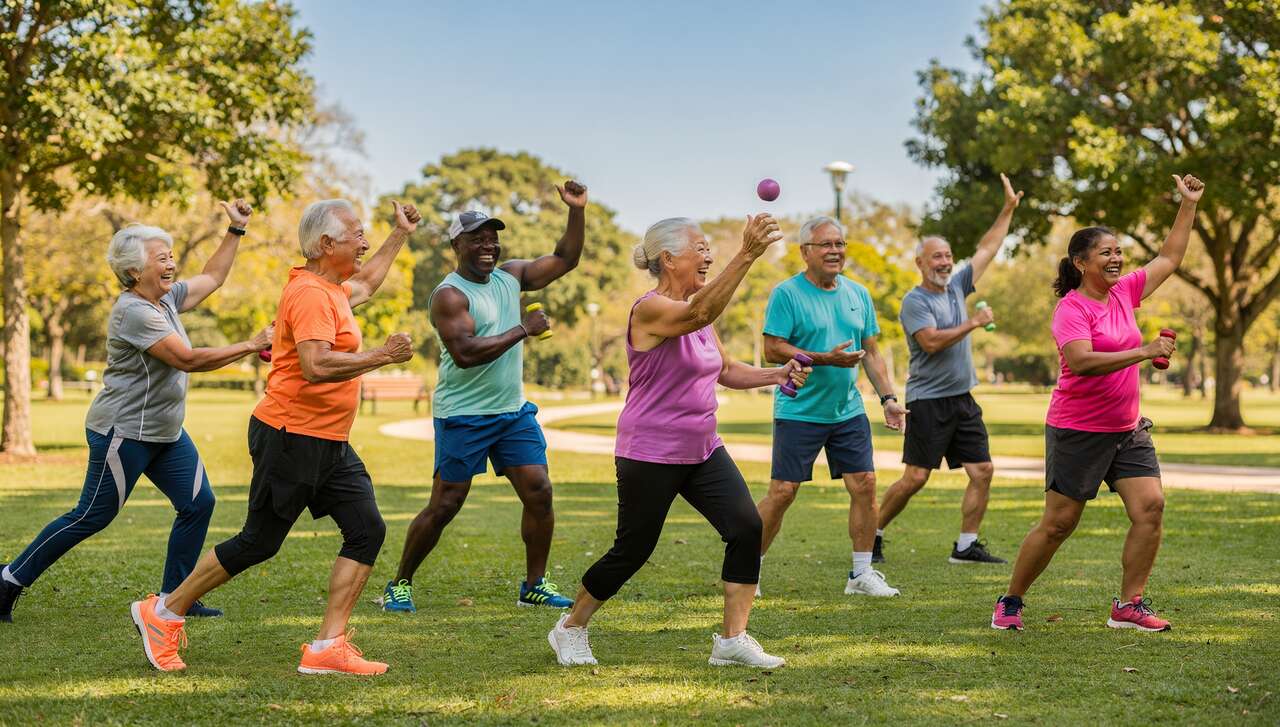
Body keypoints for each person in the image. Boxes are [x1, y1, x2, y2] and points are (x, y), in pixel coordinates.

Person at [128, 198, 420, 673]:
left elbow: (366, 282)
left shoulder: (334, 289)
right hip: (291, 435)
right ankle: (162, 612)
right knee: (259, 541)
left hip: (327, 441)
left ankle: (328, 648)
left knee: (367, 529)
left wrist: (399, 233)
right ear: (326, 244)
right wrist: (382, 357)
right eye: (357, 235)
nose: (365, 243)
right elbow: (317, 365)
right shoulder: (309, 295)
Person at [547, 214, 807, 669]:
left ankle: (732, 640)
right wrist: (747, 253)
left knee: (747, 528)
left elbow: (724, 370)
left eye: (711, 249)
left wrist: (776, 374)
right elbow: (698, 313)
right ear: (668, 258)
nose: (709, 256)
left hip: (703, 448)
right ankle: (570, 627)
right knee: (633, 549)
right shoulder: (651, 309)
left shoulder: (699, 311)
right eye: (700, 248)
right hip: (650, 451)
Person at [0, 201, 269, 624]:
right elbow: (188, 359)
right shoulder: (134, 311)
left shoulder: (167, 300)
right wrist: (250, 345)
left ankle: (175, 597)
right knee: (91, 515)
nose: (171, 263)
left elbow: (213, 276)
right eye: (161, 258)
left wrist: (235, 230)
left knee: (199, 503)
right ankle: (9, 579)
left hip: (165, 433)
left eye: (171, 256)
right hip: (122, 433)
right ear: (133, 272)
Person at [991, 174, 1203, 633]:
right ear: (1080, 262)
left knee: (1151, 507)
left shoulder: (1125, 292)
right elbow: (1082, 362)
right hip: (1079, 430)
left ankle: (1129, 606)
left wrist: (1187, 205)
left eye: (1118, 251)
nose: (1117, 257)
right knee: (1059, 524)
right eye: (1106, 251)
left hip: (1127, 428)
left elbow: (1169, 256)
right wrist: (1144, 352)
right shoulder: (1072, 308)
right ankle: (1010, 600)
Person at [383, 181, 588, 614]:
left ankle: (535, 584)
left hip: (512, 413)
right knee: (445, 504)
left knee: (540, 492)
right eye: (477, 238)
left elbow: (566, 259)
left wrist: (576, 210)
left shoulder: (510, 277)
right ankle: (399, 582)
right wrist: (522, 331)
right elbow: (465, 353)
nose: (488, 245)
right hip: (464, 415)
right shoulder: (449, 295)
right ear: (457, 244)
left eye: (493, 237)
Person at [753, 215, 907, 598]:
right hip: (799, 409)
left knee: (865, 484)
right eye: (826, 244)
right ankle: (746, 569)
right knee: (783, 492)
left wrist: (888, 398)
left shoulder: (858, 294)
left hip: (847, 409)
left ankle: (860, 574)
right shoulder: (787, 294)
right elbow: (772, 348)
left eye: (839, 244)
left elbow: (871, 352)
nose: (835, 251)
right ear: (805, 252)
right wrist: (823, 358)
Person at [875, 174, 1023, 566]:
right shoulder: (914, 301)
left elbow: (988, 247)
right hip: (928, 401)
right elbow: (931, 342)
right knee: (915, 479)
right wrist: (974, 323)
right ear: (920, 263)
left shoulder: (958, 285)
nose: (944, 262)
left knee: (983, 470)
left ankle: (965, 546)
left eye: (947, 255)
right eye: (936, 257)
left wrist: (1007, 210)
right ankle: (870, 532)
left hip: (962, 399)